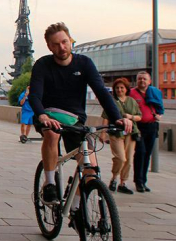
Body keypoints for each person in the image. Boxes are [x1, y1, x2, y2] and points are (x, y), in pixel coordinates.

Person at [28, 22, 132, 208]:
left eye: (65, 42)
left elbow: (101, 92)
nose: (62, 47)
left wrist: (117, 117)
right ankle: (50, 182)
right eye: (56, 44)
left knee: (90, 167)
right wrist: (42, 115)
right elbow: (34, 95)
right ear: (49, 46)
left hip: (75, 119)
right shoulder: (42, 65)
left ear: (70, 41)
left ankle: (75, 206)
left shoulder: (84, 63)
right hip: (49, 115)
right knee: (52, 133)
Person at [100, 77, 142, 194]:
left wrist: (131, 117)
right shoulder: (111, 101)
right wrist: (103, 133)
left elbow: (139, 116)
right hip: (116, 133)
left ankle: (123, 182)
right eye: (117, 88)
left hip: (130, 132)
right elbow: (105, 117)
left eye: (122, 88)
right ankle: (114, 178)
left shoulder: (132, 101)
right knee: (120, 158)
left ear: (126, 89)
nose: (119, 90)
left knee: (128, 160)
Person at [129, 71, 164, 193]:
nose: (142, 81)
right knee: (140, 152)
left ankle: (143, 181)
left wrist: (159, 115)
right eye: (139, 79)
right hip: (138, 127)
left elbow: (160, 108)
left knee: (147, 154)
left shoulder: (155, 93)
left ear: (149, 81)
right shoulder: (132, 93)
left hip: (152, 126)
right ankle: (138, 181)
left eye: (144, 79)